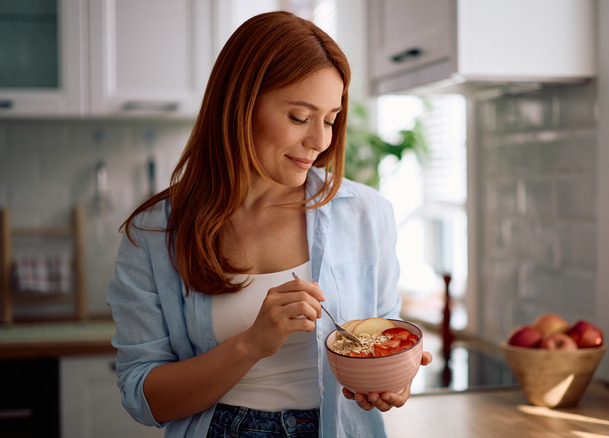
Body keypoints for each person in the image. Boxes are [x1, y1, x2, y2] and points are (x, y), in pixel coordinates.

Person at [106, 10, 432, 438]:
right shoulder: (155, 233)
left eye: (331, 119)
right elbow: (143, 398)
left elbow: (381, 337)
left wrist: (391, 382)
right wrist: (251, 343)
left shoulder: (366, 213)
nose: (320, 141)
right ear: (241, 105)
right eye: (300, 117)